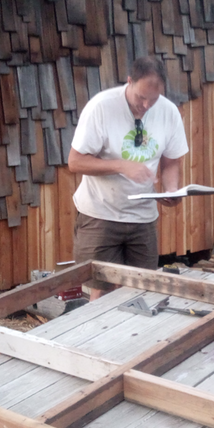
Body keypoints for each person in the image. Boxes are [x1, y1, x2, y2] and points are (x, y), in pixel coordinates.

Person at [68, 56, 189, 300]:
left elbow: (171, 161)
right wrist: (121, 166)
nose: (146, 105)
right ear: (129, 81)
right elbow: (75, 161)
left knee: (142, 290)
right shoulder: (101, 107)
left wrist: (171, 190)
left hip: (142, 219)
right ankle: (99, 338)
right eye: (140, 97)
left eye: (153, 99)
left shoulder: (168, 112)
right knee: (102, 290)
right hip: (100, 215)